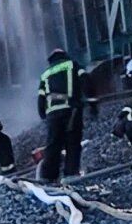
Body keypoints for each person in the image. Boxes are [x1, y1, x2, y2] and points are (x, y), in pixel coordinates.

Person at [37, 48, 98, 182]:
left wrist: (42, 114)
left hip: (52, 114)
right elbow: (86, 82)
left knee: (53, 144)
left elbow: (41, 97)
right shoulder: (72, 65)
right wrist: (93, 103)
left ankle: (48, 177)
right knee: (73, 142)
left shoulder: (45, 74)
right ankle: (71, 175)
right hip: (71, 110)